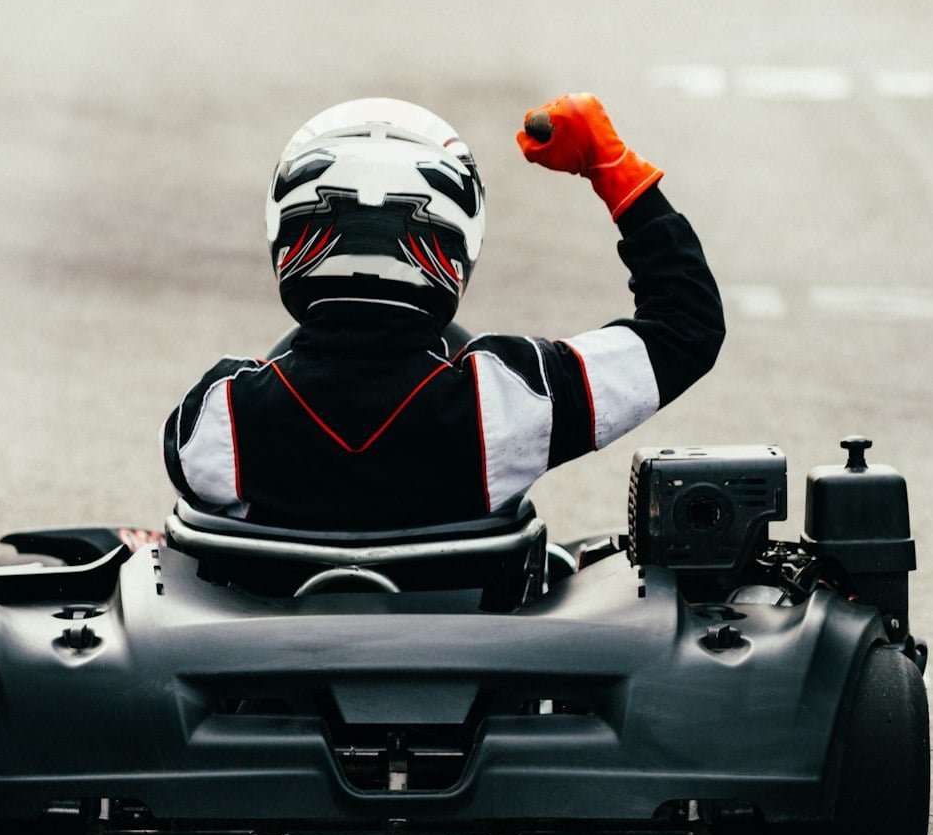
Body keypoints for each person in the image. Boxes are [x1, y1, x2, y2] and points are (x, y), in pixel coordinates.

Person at [162, 94, 724, 534]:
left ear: (287, 232)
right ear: (454, 243)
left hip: (274, 664)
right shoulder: (505, 401)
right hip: (468, 654)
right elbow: (686, 327)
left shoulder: (216, 417)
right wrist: (615, 169)